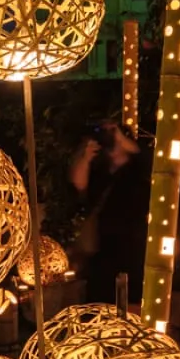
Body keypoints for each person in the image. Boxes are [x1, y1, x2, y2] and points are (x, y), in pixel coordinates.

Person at [69, 118, 150, 306]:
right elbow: (78, 184)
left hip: (133, 246)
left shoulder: (137, 168)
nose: (108, 135)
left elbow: (145, 156)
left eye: (111, 130)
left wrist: (121, 137)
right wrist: (85, 157)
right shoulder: (100, 171)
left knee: (133, 301)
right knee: (100, 302)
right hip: (103, 249)